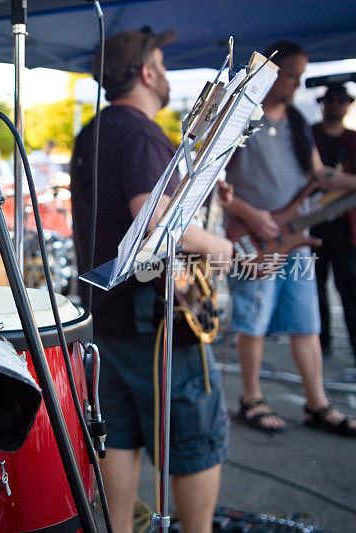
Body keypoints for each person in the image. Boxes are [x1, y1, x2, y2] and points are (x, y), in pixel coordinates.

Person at [71, 28, 233, 533]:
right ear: (146, 72)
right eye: (160, 61)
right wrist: (219, 246)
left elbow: (134, 209)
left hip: (108, 315)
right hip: (157, 322)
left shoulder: (95, 130)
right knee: (194, 436)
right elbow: (154, 220)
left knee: (118, 434)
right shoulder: (139, 131)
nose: (164, 71)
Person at [223, 41, 356, 436]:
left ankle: (317, 403)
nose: (296, 84)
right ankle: (251, 398)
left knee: (306, 323)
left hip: (297, 237)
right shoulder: (241, 116)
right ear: (271, 72)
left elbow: (320, 175)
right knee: (253, 321)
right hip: (253, 237)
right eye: (291, 75)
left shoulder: (299, 120)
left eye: (300, 76)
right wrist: (252, 216)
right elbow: (215, 179)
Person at [309, 84, 356, 360]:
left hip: (345, 227)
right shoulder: (311, 136)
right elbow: (312, 176)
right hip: (310, 223)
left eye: (341, 101)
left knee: (349, 286)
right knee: (313, 286)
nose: (335, 105)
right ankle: (319, 344)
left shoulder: (353, 140)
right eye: (330, 101)